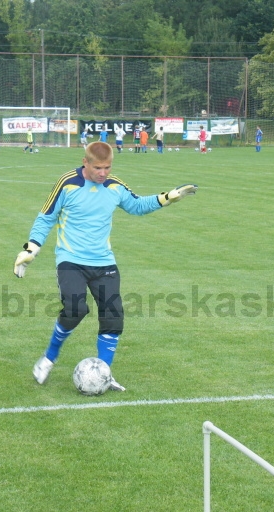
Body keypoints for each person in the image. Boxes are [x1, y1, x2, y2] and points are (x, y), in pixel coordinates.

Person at [13, 141, 198, 391]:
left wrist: (166, 198)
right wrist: (31, 249)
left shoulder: (114, 186)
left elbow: (137, 205)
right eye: (98, 168)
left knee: (113, 317)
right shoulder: (68, 183)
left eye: (107, 167)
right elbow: (46, 217)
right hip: (71, 260)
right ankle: (48, 358)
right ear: (85, 162)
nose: (103, 173)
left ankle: (104, 374)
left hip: (104, 262)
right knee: (75, 310)